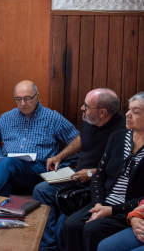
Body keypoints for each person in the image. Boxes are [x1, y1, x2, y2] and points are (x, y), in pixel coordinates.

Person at [33, 88, 125, 251]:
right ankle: (48, 245)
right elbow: (81, 138)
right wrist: (60, 156)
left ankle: (61, 245)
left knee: (66, 224)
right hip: (76, 176)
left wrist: (91, 173)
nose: (82, 108)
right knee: (41, 190)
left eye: (86, 106)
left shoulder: (123, 131)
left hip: (96, 184)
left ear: (102, 112)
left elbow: (120, 169)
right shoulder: (90, 118)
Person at [61, 92, 144, 251]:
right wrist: (98, 203)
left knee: (93, 229)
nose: (127, 114)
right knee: (71, 224)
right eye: (129, 109)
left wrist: (111, 210)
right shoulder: (118, 137)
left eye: (136, 111)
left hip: (129, 209)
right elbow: (99, 175)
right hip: (105, 201)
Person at [0, 80, 79, 196]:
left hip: (37, 169)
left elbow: (78, 139)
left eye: (27, 98)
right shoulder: (6, 117)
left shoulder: (52, 117)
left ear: (36, 97)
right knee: (4, 173)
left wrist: (60, 157)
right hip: (10, 168)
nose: (23, 103)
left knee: (6, 164)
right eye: (18, 99)